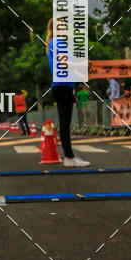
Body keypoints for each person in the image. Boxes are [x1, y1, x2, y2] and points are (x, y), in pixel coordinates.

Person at [45, 19, 89, 167]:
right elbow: (64, 63)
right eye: (61, 27)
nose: (64, 29)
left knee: (65, 122)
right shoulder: (57, 42)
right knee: (65, 123)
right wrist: (82, 64)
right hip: (62, 86)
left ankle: (69, 156)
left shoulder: (55, 42)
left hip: (63, 85)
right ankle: (69, 157)